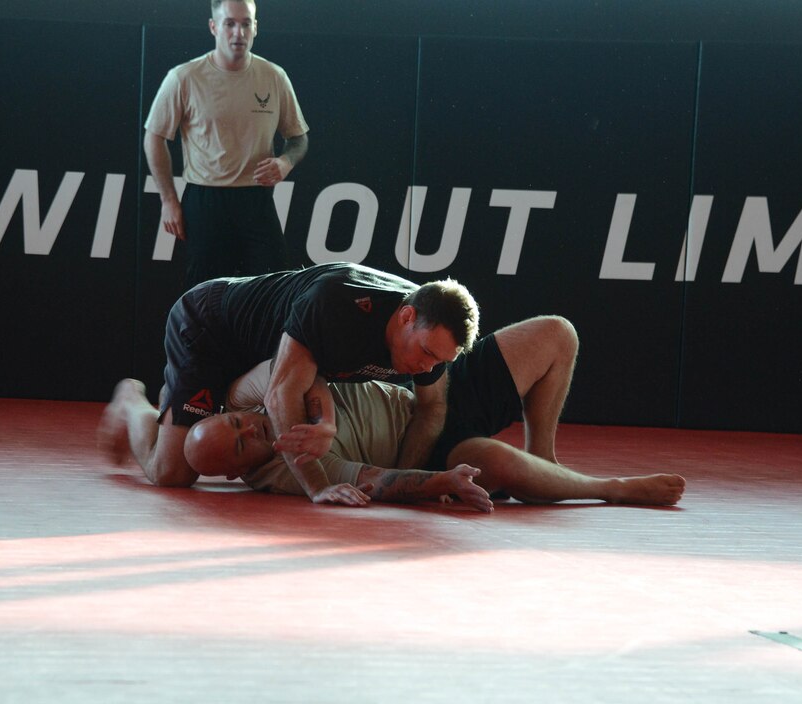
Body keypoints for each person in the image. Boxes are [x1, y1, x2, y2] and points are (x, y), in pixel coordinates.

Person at [185, 316, 687, 508]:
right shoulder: (282, 474)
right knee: (501, 465)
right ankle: (609, 488)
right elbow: (374, 479)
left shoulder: (246, 393)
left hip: (431, 393)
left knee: (558, 333)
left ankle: (547, 459)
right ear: (237, 475)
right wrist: (437, 483)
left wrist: (325, 422)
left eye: (235, 422)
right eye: (241, 445)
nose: (249, 428)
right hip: (442, 451)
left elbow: (304, 369)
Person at [97, 262, 480, 507]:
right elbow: (282, 393)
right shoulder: (336, 307)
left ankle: (173, 408)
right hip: (209, 327)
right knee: (172, 474)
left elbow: (432, 408)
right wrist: (317, 487)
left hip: (272, 355)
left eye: (439, 361)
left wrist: (404, 476)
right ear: (406, 318)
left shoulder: (431, 332)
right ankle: (133, 401)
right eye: (427, 353)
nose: (426, 367)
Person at [144, 0, 310, 287]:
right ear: (213, 27)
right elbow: (154, 136)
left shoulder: (274, 76)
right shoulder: (184, 77)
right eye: (229, 23)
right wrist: (168, 200)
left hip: (256, 201)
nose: (238, 32)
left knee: (273, 291)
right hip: (206, 201)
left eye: (246, 23)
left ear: (255, 28)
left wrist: (285, 162)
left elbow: (298, 138)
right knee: (207, 299)